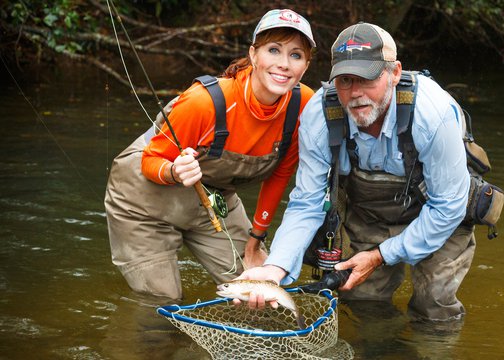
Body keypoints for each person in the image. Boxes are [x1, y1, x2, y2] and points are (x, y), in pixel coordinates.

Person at [239, 22, 476, 321]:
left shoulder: (433, 114)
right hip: (370, 214)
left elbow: (448, 207)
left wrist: (381, 256)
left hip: (439, 213)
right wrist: (276, 269)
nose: (356, 93)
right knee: (363, 301)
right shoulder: (319, 115)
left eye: (368, 79)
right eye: (346, 81)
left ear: (395, 73)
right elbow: (306, 203)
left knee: (434, 304)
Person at [104, 9, 316, 301]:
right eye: (274, 50)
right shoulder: (203, 102)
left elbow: (280, 174)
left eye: (296, 55)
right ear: (254, 55)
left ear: (306, 65)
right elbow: (150, 161)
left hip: (212, 204)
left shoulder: (304, 105)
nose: (283, 64)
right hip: (143, 203)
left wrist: (256, 239)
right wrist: (174, 171)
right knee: (161, 304)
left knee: (260, 292)